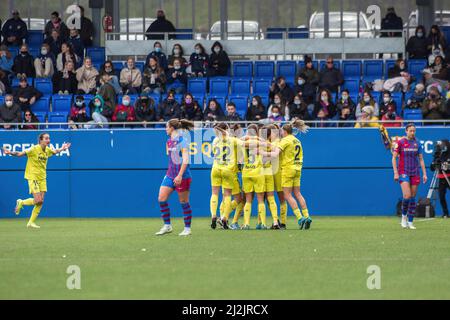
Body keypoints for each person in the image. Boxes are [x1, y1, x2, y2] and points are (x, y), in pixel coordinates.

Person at [2, 133, 71, 229]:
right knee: (38, 200)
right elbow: (20, 153)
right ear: (40, 140)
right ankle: (21, 202)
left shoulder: (47, 150)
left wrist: (63, 148)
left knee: (40, 202)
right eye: (46, 138)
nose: (48, 140)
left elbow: (55, 151)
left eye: (49, 138)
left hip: (42, 178)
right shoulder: (33, 149)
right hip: (33, 176)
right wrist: (10, 152)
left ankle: (30, 222)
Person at [261, 120, 312, 229]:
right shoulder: (297, 140)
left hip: (283, 171)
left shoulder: (282, 142)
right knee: (297, 194)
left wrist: (261, 152)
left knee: (283, 197)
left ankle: (297, 218)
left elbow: (274, 154)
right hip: (297, 168)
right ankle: (306, 216)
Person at [155, 119, 194, 236]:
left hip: (182, 176)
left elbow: (186, 159)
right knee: (161, 198)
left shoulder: (182, 141)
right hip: (170, 175)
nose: (165, 129)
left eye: (166, 127)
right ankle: (167, 226)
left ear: (172, 128)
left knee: (184, 202)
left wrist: (180, 175)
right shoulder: (168, 141)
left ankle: (187, 228)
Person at [392, 123, 427, 229]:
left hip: (415, 172)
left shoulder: (417, 143)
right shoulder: (400, 142)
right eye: (410, 130)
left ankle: (410, 221)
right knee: (406, 195)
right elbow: (394, 158)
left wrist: (424, 173)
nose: (412, 132)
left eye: (414, 131)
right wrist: (395, 172)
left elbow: (421, 159)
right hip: (403, 172)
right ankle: (403, 217)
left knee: (412, 197)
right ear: (406, 131)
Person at [209, 123, 244, 229]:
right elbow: (243, 144)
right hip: (228, 170)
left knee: (215, 193)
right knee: (228, 195)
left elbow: (213, 152)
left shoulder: (215, 140)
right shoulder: (233, 140)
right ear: (227, 129)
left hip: (216, 168)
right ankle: (224, 217)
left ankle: (213, 215)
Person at [238, 124, 267, 229]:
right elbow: (265, 144)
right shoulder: (260, 142)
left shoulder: (243, 142)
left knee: (248, 200)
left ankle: (246, 224)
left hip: (246, 172)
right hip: (258, 172)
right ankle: (263, 224)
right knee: (260, 199)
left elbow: (239, 141)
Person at [431, 140, 450, 218]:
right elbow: (432, 168)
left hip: (449, 176)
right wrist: (435, 164)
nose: (442, 147)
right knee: (441, 196)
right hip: (441, 178)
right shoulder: (437, 155)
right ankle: (445, 213)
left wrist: (447, 166)